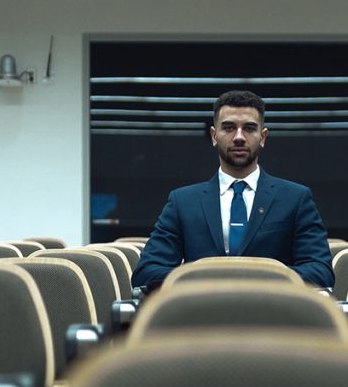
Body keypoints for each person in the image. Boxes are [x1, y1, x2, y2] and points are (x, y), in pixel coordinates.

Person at [131, 90, 335, 290]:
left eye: (249, 128)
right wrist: (205, 278)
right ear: (213, 135)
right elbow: (146, 272)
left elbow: (321, 271)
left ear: (263, 137)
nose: (239, 137)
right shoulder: (183, 202)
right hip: (201, 317)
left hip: (273, 316)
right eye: (228, 128)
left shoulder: (295, 199)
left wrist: (258, 281)